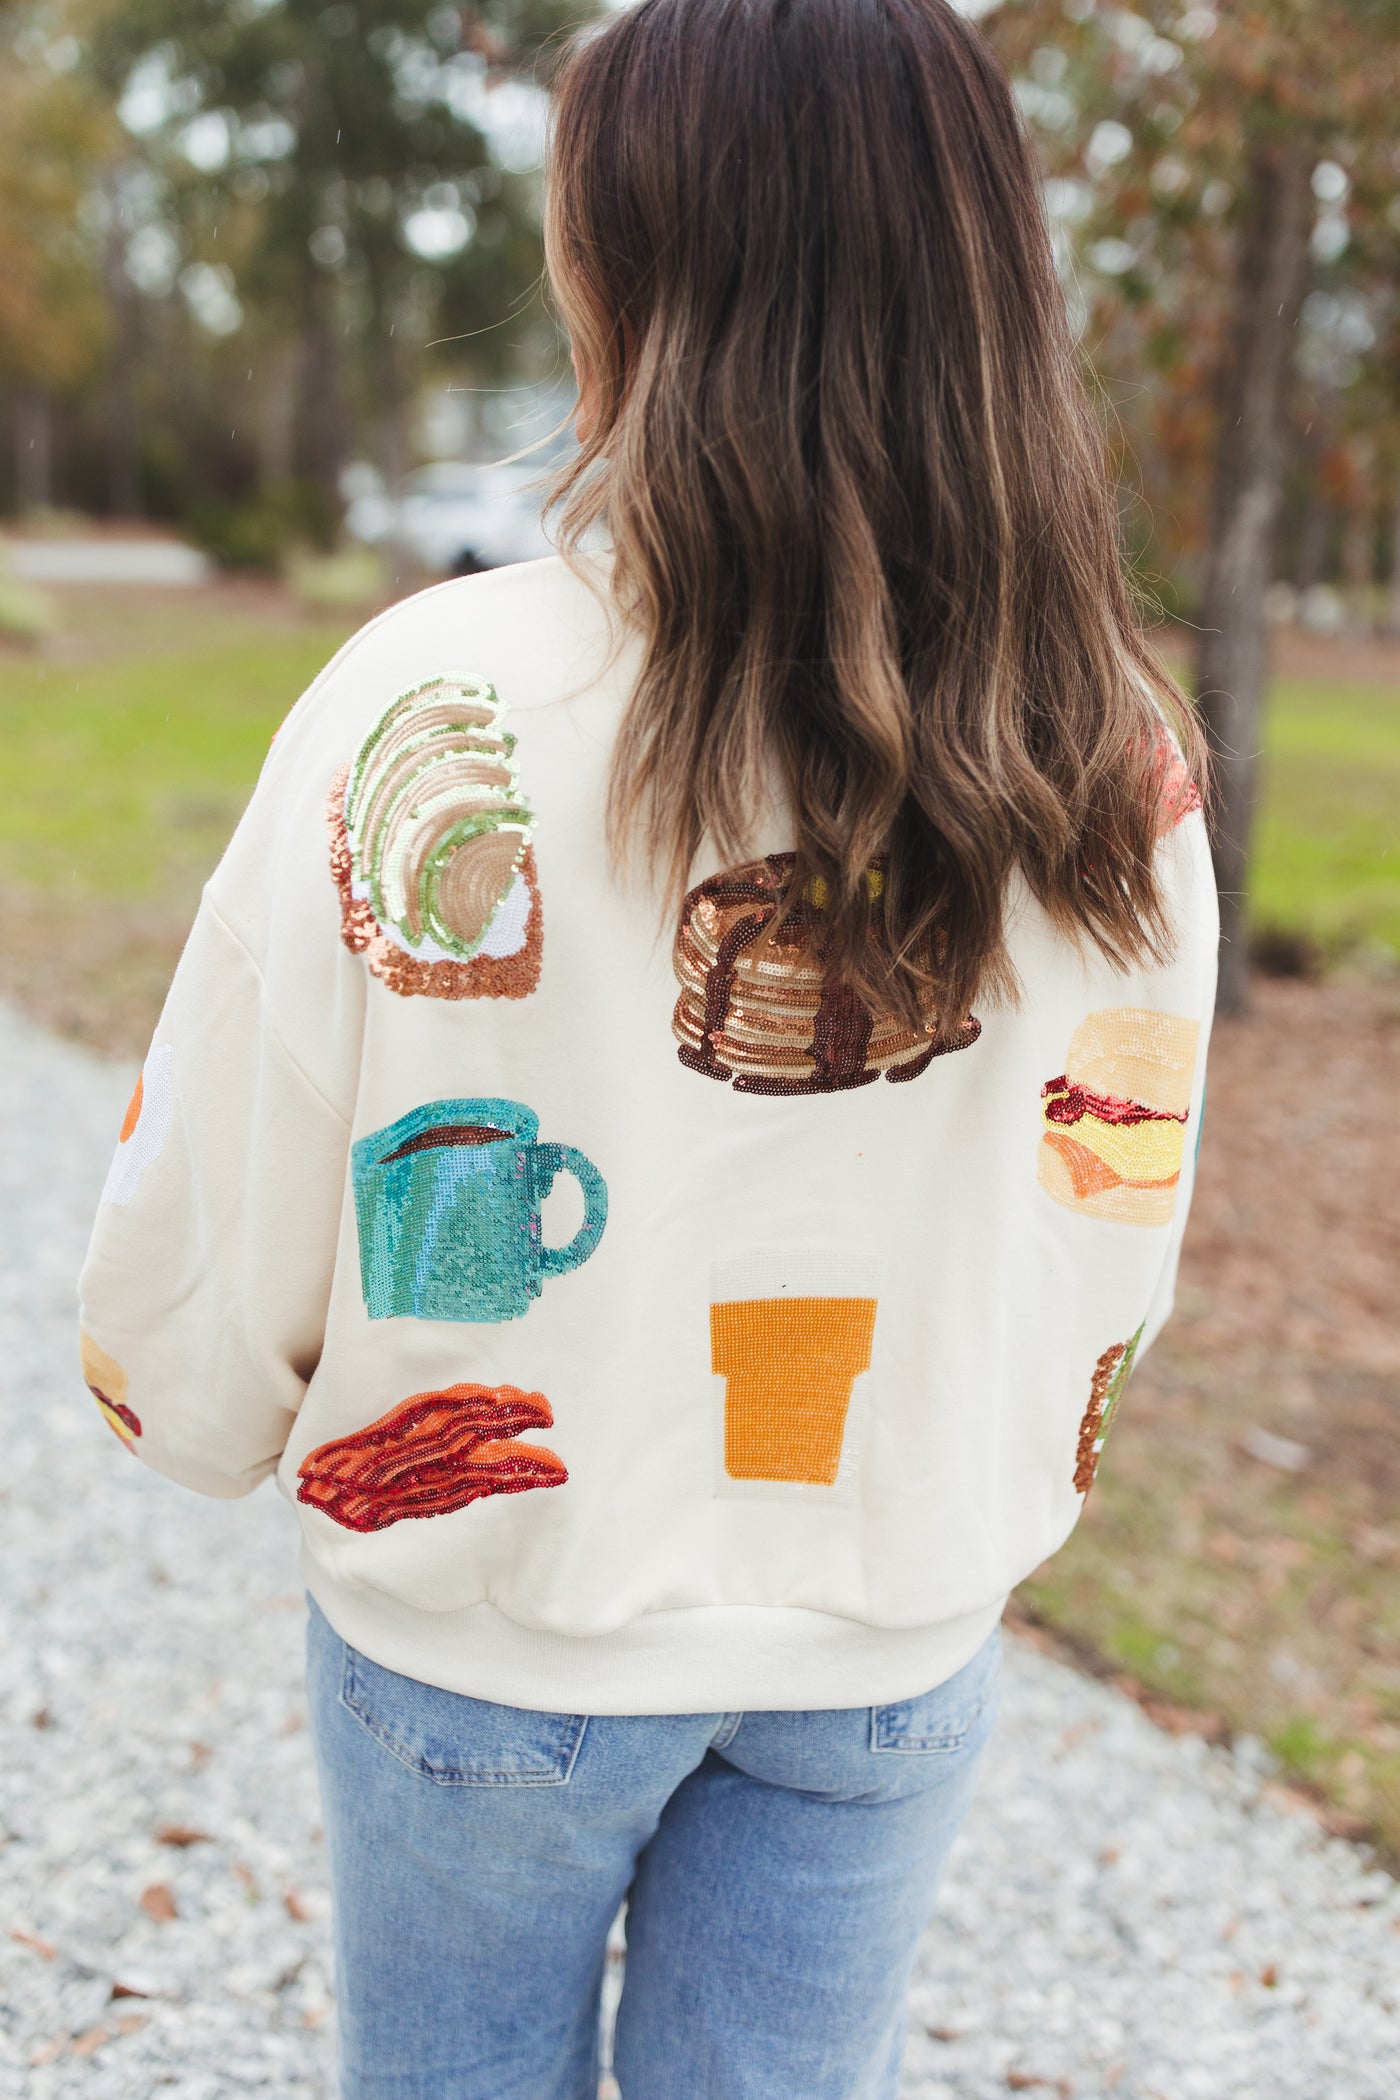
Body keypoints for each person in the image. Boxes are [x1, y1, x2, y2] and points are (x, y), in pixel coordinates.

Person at [79, 2, 1217, 2094]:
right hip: (882, 1637)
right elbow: (1105, 1204)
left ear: (635, 270)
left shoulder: (434, 698)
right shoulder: (1104, 757)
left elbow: (247, 1141)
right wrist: (984, 1470)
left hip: (496, 1632)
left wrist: (191, 1402)